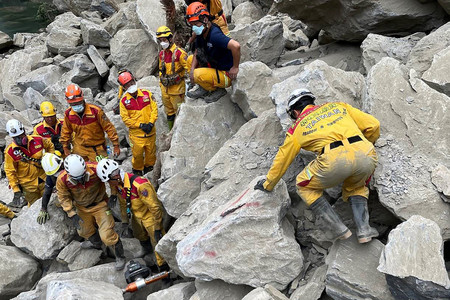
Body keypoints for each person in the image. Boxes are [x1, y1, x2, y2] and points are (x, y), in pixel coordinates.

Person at [255, 89, 380, 244]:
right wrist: (367, 145)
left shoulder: (297, 127)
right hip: (365, 152)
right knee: (357, 186)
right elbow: (373, 125)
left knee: (303, 185)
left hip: (333, 159)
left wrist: (268, 184)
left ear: (295, 112)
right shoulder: (338, 106)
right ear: (312, 102)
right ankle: (364, 230)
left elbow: (283, 158)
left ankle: (338, 229)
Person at [96, 159, 169, 272]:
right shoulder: (119, 185)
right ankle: (146, 249)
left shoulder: (140, 185)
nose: (109, 184)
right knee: (138, 234)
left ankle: (164, 270)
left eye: (109, 181)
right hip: (137, 216)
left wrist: (158, 227)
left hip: (150, 217)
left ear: (116, 176)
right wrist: (125, 222)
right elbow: (123, 204)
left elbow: (155, 207)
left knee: (157, 242)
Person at [56, 154, 125, 270]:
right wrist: (71, 213)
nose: (80, 180)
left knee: (107, 235)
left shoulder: (96, 168)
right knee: (84, 231)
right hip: (82, 208)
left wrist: (113, 194)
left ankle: (120, 256)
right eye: (76, 178)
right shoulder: (62, 180)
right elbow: (63, 197)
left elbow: (111, 178)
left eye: (82, 176)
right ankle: (96, 243)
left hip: (100, 204)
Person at [185, 2, 240, 103]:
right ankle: (204, 86)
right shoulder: (202, 32)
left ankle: (217, 89)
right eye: (192, 25)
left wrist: (235, 67)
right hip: (214, 64)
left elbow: (236, 46)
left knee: (197, 74)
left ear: (205, 19)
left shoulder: (215, 35)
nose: (194, 28)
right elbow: (197, 50)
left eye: (195, 24)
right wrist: (192, 69)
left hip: (225, 73)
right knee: (189, 61)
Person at [60, 83, 120, 162]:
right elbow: (66, 131)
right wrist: (65, 147)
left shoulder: (96, 111)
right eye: (73, 104)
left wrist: (115, 145)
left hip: (97, 148)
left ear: (82, 98)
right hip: (79, 148)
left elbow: (109, 128)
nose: (76, 105)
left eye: (78, 103)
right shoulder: (68, 114)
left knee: (101, 170)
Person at [4, 119, 54, 207]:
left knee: (50, 202)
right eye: (16, 137)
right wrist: (16, 189)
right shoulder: (11, 152)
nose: (20, 138)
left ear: (24, 131)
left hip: (44, 178)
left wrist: (50, 158)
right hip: (28, 186)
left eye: (21, 135)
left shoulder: (38, 140)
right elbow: (10, 171)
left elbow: (50, 145)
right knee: (34, 205)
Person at [118, 72, 158, 176]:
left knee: (151, 153)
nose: (130, 85)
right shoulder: (124, 101)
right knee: (137, 155)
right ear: (124, 87)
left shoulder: (147, 94)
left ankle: (149, 168)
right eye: (127, 84)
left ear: (134, 80)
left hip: (150, 132)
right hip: (136, 136)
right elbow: (126, 119)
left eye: (131, 82)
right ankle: (137, 170)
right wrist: (140, 125)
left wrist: (150, 122)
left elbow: (154, 109)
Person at [156, 25, 189, 130]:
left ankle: (180, 131)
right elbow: (161, 70)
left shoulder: (179, 53)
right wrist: (161, 84)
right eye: (160, 40)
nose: (162, 42)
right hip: (165, 89)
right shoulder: (162, 54)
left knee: (179, 112)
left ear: (170, 39)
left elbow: (188, 68)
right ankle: (171, 132)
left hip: (177, 89)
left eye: (164, 40)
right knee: (169, 112)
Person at [37, 153, 64, 225]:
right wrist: (43, 208)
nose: (59, 174)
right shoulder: (51, 177)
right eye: (56, 173)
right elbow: (47, 192)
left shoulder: (70, 165)